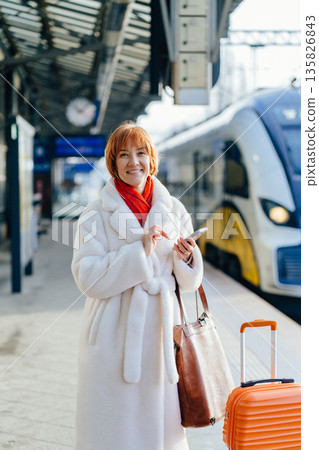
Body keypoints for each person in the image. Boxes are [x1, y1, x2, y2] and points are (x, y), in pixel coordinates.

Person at [71, 122, 203, 450]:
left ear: (151, 158)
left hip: (161, 336)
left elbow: (187, 284)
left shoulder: (174, 210)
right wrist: (138, 252)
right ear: (113, 163)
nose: (134, 162)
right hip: (114, 337)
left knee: (160, 431)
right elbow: (87, 277)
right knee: (114, 428)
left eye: (141, 153)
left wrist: (187, 259)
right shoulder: (94, 214)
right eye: (124, 155)